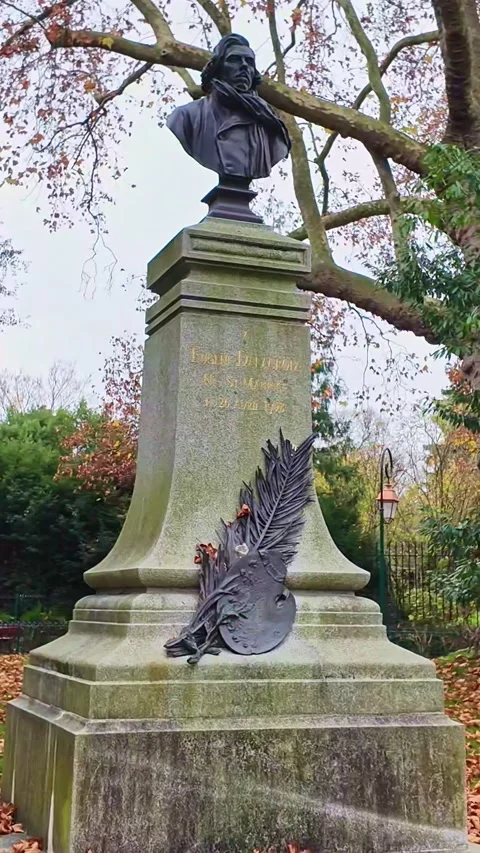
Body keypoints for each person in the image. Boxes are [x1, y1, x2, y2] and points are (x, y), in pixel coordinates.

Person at [167, 33, 291, 180]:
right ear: (218, 68)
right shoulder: (185, 117)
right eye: (234, 60)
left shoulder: (270, 126)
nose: (244, 66)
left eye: (249, 62)